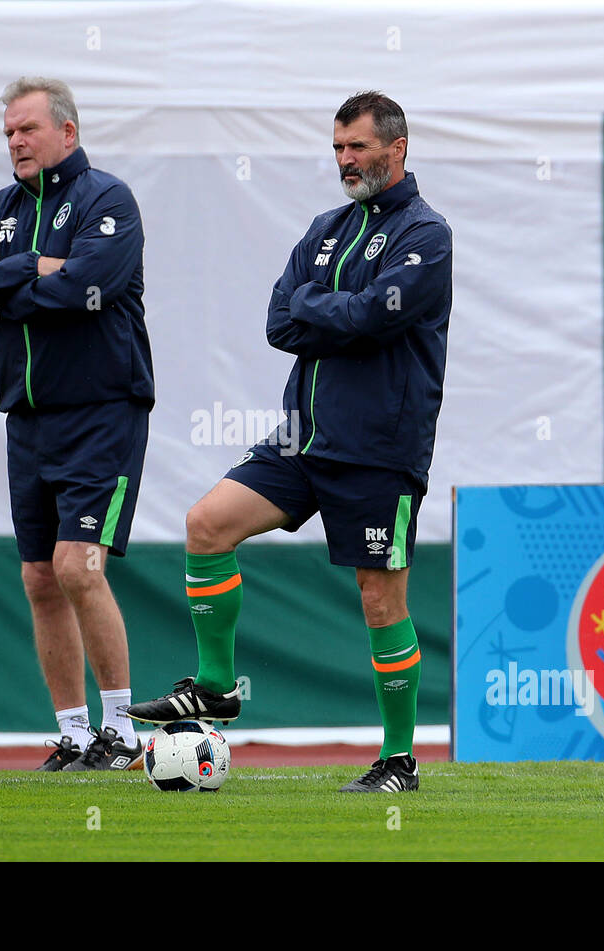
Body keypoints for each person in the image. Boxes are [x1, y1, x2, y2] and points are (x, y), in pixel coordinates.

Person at [126, 91, 452, 792]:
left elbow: (373, 316)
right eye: (337, 147)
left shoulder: (427, 235)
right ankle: (217, 686)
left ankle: (399, 759)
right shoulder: (327, 227)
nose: (344, 160)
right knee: (206, 524)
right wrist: (334, 313)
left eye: (357, 147)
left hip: (380, 448)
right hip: (304, 438)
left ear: (396, 148)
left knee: (379, 601)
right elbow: (280, 320)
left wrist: (324, 309)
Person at [0, 78, 153, 772]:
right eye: (7, 132)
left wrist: (13, 287)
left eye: (27, 129)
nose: (16, 142)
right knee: (39, 577)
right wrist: (30, 264)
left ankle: (122, 731)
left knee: (77, 567)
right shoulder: (2, 209)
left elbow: (85, 289)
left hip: (101, 413)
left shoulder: (107, 199)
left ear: (67, 132)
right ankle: (74, 732)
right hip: (28, 421)